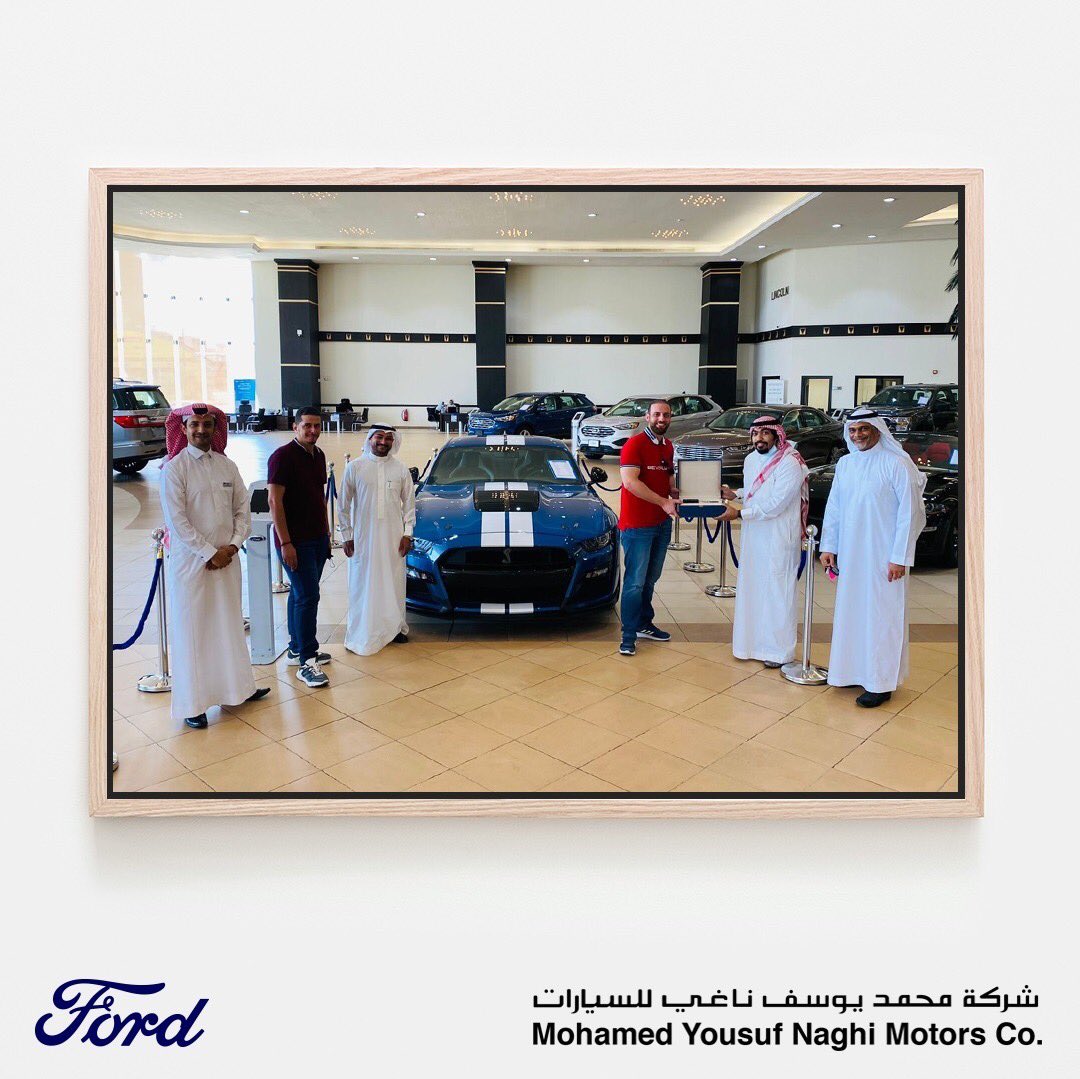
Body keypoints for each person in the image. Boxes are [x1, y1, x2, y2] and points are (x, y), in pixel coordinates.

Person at [159, 403, 270, 729]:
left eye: (207, 425)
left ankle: (238, 690)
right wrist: (209, 553)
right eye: (194, 425)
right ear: (183, 428)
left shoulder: (226, 466)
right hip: (192, 565)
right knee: (194, 630)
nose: (201, 430)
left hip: (227, 560)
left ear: (215, 428)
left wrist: (232, 546)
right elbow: (177, 521)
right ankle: (193, 704)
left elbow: (242, 510)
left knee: (229, 624)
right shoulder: (174, 469)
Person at [819, 407, 927, 707]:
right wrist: (829, 546)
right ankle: (851, 672)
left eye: (864, 429)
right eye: (853, 430)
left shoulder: (897, 464)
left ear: (878, 430)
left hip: (883, 557)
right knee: (852, 613)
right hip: (852, 555)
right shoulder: (846, 464)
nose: (858, 435)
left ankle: (880, 682)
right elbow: (835, 508)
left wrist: (899, 557)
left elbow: (910, 514)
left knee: (882, 617)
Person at [719, 414, 809, 669]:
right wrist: (735, 494)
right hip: (755, 535)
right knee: (753, 587)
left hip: (779, 537)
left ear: (776, 435)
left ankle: (778, 651)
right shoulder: (750, 460)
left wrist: (739, 514)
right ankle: (749, 645)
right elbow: (755, 491)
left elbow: (777, 503)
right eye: (755, 434)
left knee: (778, 592)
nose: (759, 438)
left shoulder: (790, 462)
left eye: (765, 433)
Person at [267, 406, 333, 688]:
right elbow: (274, 501)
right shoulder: (282, 457)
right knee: (308, 596)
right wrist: (286, 543)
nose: (313, 431)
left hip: (317, 538)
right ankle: (307, 660)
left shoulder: (318, 455)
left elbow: (318, 497)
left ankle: (296, 648)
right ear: (295, 427)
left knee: (300, 593)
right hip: (295, 541)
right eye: (307, 425)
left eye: (317, 426)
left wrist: (326, 535)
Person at [338, 425, 416, 655]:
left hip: (393, 537)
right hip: (363, 537)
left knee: (393, 581)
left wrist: (407, 533)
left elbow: (409, 505)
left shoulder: (400, 469)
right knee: (363, 581)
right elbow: (343, 505)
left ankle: (395, 627)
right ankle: (362, 628)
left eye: (388, 438)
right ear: (369, 439)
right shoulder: (355, 467)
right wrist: (346, 536)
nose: (383, 442)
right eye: (379, 437)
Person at [617, 400, 680, 656]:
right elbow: (630, 482)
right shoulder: (634, 444)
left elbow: (668, 476)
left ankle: (644, 623)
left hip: (661, 523)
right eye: (657, 415)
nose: (661, 419)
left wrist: (675, 491)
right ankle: (628, 635)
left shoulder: (668, 446)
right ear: (647, 417)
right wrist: (663, 502)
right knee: (635, 582)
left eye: (666, 415)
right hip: (637, 525)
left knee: (651, 578)